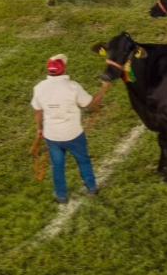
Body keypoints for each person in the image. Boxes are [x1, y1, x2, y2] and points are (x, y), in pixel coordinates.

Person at [31, 54, 109, 204]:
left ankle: (61, 195)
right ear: (63, 69)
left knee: (57, 165)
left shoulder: (39, 88)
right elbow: (90, 104)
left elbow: (38, 112)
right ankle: (91, 187)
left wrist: (39, 130)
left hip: (52, 136)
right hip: (73, 135)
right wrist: (104, 89)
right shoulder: (72, 87)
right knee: (83, 160)